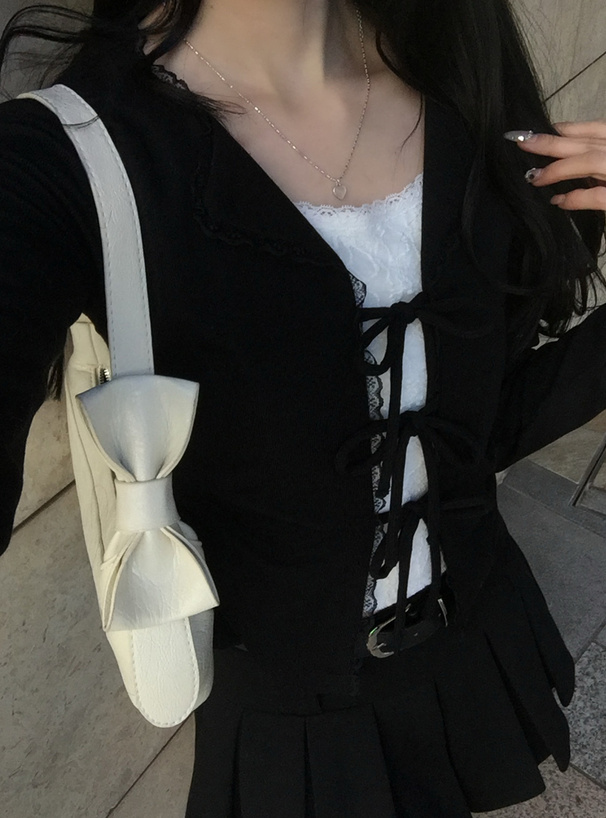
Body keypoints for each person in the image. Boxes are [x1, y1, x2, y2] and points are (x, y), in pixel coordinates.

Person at [1, 1, 605, 815]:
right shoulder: (67, 154)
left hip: (475, 634)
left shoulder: (460, 80)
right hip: (288, 714)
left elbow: (482, 428)